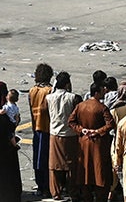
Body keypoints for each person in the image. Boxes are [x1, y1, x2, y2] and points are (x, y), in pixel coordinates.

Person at [69, 83, 116, 202]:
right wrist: (98, 131)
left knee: (85, 173)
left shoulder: (80, 106)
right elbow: (110, 124)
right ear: (96, 93)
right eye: (101, 91)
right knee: (100, 172)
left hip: (84, 142)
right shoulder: (102, 107)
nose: (103, 93)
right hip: (98, 144)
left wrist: (81, 130)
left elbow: (71, 122)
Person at [42, 72, 81, 200]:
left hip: (54, 134)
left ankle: (56, 192)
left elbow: (44, 111)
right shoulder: (73, 97)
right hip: (70, 134)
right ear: (67, 84)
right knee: (71, 165)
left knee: (54, 165)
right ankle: (72, 191)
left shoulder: (49, 98)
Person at [27, 64, 53, 197]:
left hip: (36, 128)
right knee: (47, 159)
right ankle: (47, 186)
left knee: (37, 159)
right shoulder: (49, 91)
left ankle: (40, 185)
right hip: (47, 128)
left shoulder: (32, 91)